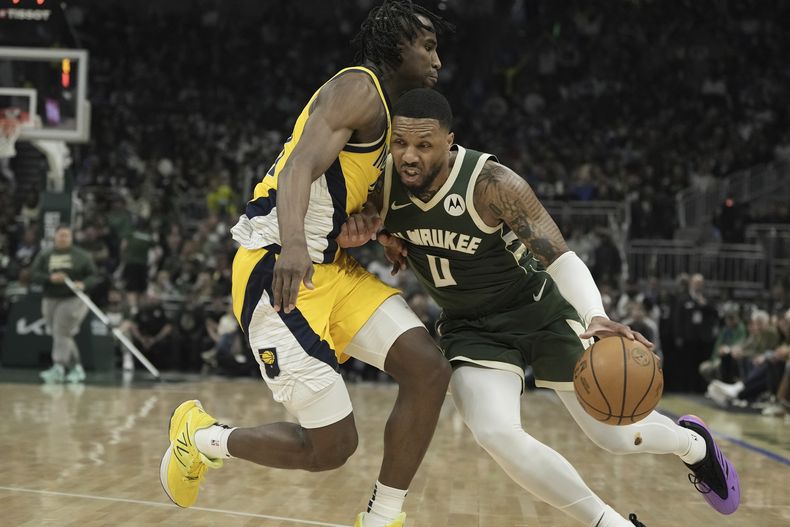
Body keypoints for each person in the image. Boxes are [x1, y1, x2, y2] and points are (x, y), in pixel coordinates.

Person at [339, 89, 741, 525]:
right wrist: (373, 234)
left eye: (423, 144)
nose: (409, 155)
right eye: (400, 143)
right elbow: (358, 227)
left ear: (449, 141)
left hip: (539, 310)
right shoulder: (381, 184)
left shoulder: (493, 184)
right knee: (495, 433)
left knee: (615, 436)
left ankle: (693, 446)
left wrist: (595, 316)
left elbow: (560, 257)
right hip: (471, 328)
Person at [159, 4, 452, 527]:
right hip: (280, 268)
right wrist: (295, 244)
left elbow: (337, 198)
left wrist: (367, 224)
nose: (436, 59)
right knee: (332, 447)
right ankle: (203, 439)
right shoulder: (359, 88)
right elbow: (298, 168)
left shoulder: (389, 116)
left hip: (333, 267)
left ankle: (383, 517)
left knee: (428, 370)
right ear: (395, 46)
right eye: (426, 47)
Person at [31, 225, 99, 383]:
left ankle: (59, 366)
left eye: (66, 236)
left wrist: (82, 284)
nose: (63, 238)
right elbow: (34, 274)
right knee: (60, 334)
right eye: (60, 235)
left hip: (73, 298)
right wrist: (49, 279)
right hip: (50, 297)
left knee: (61, 330)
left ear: (71, 238)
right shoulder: (45, 255)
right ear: (55, 237)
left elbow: (93, 276)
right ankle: (76, 368)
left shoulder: (81, 256)